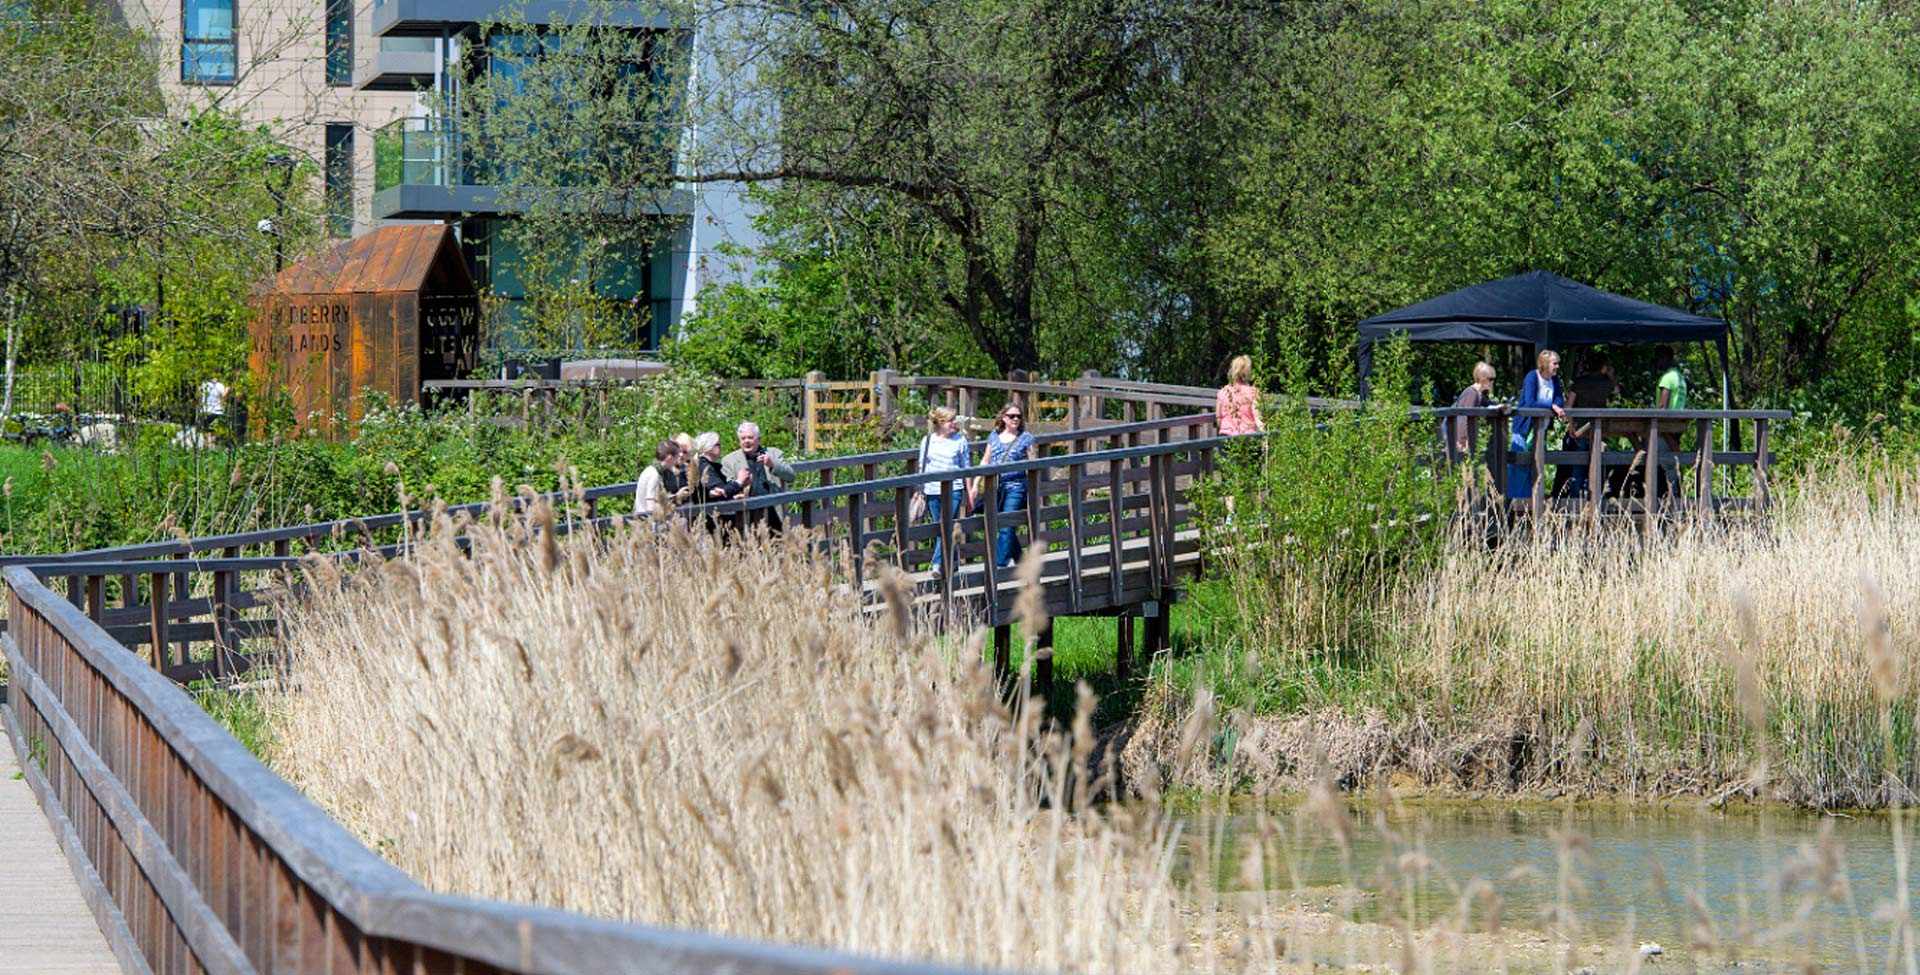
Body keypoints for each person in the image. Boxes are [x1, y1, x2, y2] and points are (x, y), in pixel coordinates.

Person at [1553, 352, 1618, 499]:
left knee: (1578, 464)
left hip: (1581, 427)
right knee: (1598, 462)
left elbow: (1568, 405)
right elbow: (1616, 391)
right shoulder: (1607, 382)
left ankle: (1575, 498)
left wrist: (1570, 426)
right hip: (1600, 428)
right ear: (1603, 366)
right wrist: (1610, 374)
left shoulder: (1579, 382)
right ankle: (1597, 496)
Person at [1506, 349, 1566, 501]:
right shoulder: (1532, 377)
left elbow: (1559, 399)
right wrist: (1551, 407)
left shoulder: (1555, 380)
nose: (1557, 366)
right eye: (1555, 363)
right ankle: (1518, 502)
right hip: (1524, 428)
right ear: (1545, 364)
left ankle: (1533, 500)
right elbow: (1530, 402)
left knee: (1536, 465)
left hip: (1541, 429)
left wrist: (1556, 405)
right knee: (1520, 465)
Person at [917, 406, 973, 569]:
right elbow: (922, 466)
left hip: (954, 489)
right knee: (939, 527)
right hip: (932, 489)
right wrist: (920, 490)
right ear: (941, 423)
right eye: (951, 420)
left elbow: (966, 469)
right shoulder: (927, 440)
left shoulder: (960, 440)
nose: (954, 423)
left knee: (945, 524)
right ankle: (952, 562)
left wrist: (969, 494)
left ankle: (936, 564)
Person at [981, 403, 1035, 568]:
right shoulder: (994, 436)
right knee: (1002, 523)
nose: (1016, 419)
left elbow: (1034, 463)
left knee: (1007, 523)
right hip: (997, 486)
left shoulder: (1026, 438)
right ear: (1004, 418)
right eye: (1012, 416)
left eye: (1019, 416)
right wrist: (976, 484)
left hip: (1017, 486)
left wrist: (1034, 489)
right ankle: (1020, 559)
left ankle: (999, 563)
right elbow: (986, 460)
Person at [721, 421, 796, 534]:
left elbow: (791, 476)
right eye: (743, 438)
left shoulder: (773, 453)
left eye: (750, 438)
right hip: (747, 514)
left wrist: (772, 464)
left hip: (773, 513)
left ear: (759, 439)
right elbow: (728, 485)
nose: (746, 441)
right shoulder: (729, 460)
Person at [696, 431, 750, 534]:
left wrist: (735, 493)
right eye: (718, 444)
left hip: (720, 519)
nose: (720, 447)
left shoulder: (713, 466)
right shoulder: (704, 466)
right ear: (708, 446)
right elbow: (720, 491)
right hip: (714, 522)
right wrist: (739, 481)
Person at [1443, 362, 1496, 462]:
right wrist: (1462, 440)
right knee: (1460, 467)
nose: (1492, 382)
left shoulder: (1479, 394)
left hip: (1462, 437)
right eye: (1491, 379)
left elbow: (1490, 405)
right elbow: (1463, 418)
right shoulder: (1471, 393)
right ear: (1482, 378)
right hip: (1457, 438)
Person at [634, 439, 690, 518]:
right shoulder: (654, 475)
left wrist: (675, 497)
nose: (677, 461)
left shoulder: (651, 469)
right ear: (670, 458)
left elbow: (657, 498)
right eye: (676, 457)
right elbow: (651, 504)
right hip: (647, 521)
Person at [1215, 355, 1265, 436]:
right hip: (1247, 436)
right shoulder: (1253, 392)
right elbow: (1258, 417)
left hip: (1225, 437)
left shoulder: (1222, 392)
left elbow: (1218, 419)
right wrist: (1264, 437)